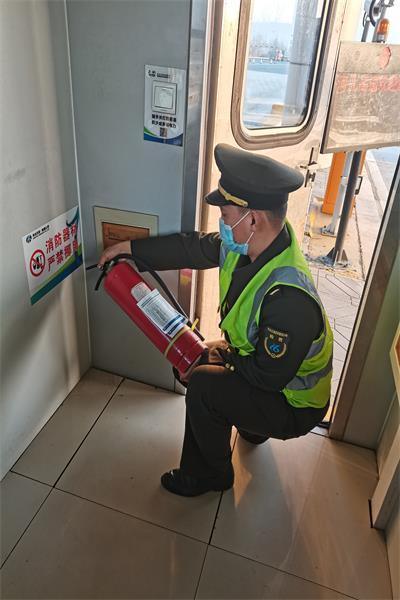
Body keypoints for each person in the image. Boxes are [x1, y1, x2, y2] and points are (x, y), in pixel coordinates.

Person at [98, 143, 333, 497]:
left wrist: (212, 360)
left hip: (294, 404)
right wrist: (129, 249)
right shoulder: (255, 246)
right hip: (271, 375)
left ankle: (209, 474)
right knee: (199, 361)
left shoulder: (289, 301)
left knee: (204, 384)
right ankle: (253, 427)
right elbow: (191, 247)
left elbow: (267, 377)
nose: (222, 225)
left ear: (252, 219)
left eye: (226, 216)